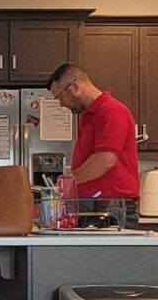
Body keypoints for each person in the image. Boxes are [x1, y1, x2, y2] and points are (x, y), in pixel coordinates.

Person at [47, 63, 140, 199]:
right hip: (97, 203)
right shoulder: (88, 116)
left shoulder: (111, 111)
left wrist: (68, 181)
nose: (61, 104)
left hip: (111, 205)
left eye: (61, 97)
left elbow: (105, 159)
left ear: (75, 87)